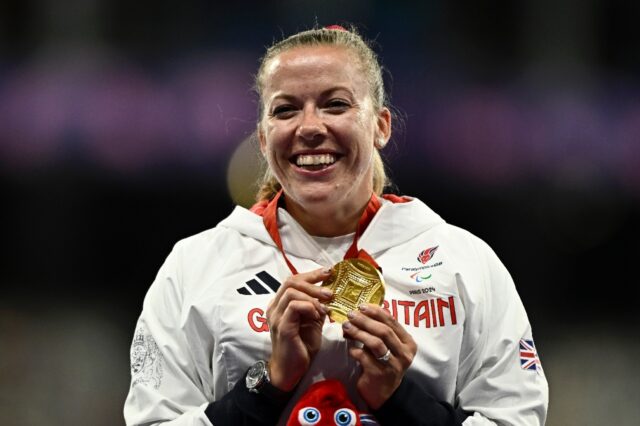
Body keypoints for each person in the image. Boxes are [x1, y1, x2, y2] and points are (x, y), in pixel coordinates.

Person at [124, 25, 548, 426]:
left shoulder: (465, 264)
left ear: (380, 126)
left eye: (336, 104)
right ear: (263, 138)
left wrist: (401, 399)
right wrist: (268, 384)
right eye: (286, 109)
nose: (309, 127)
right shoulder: (195, 267)